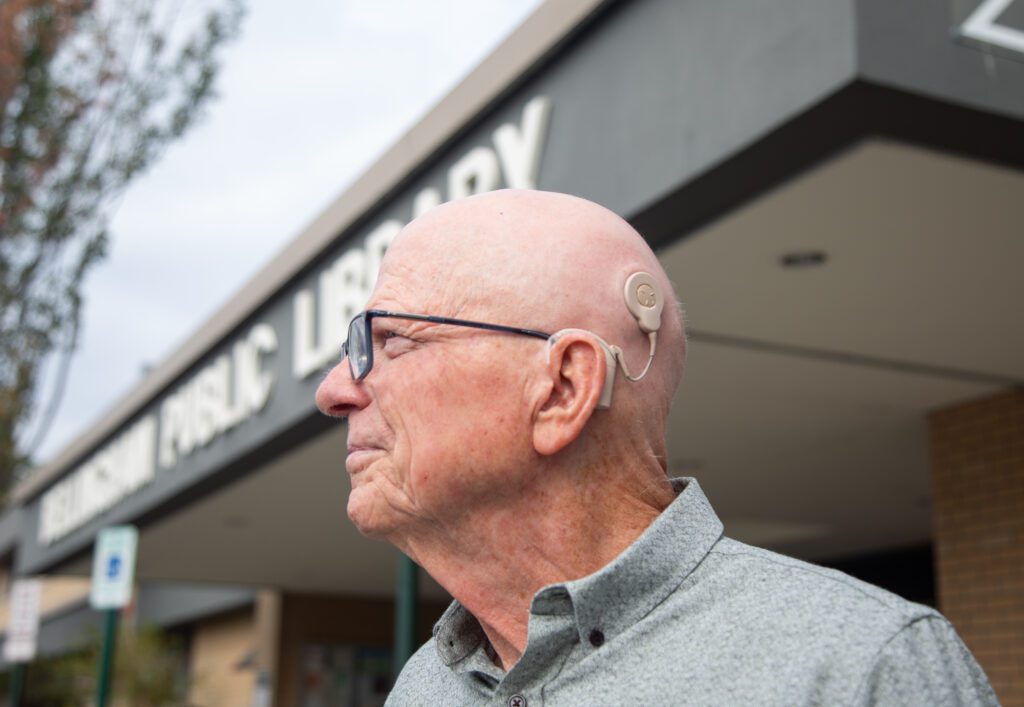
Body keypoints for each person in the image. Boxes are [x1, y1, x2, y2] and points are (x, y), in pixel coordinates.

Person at [315, 190, 997, 706]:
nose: (334, 389)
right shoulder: (425, 686)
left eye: (391, 339)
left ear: (562, 388)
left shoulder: (860, 665)